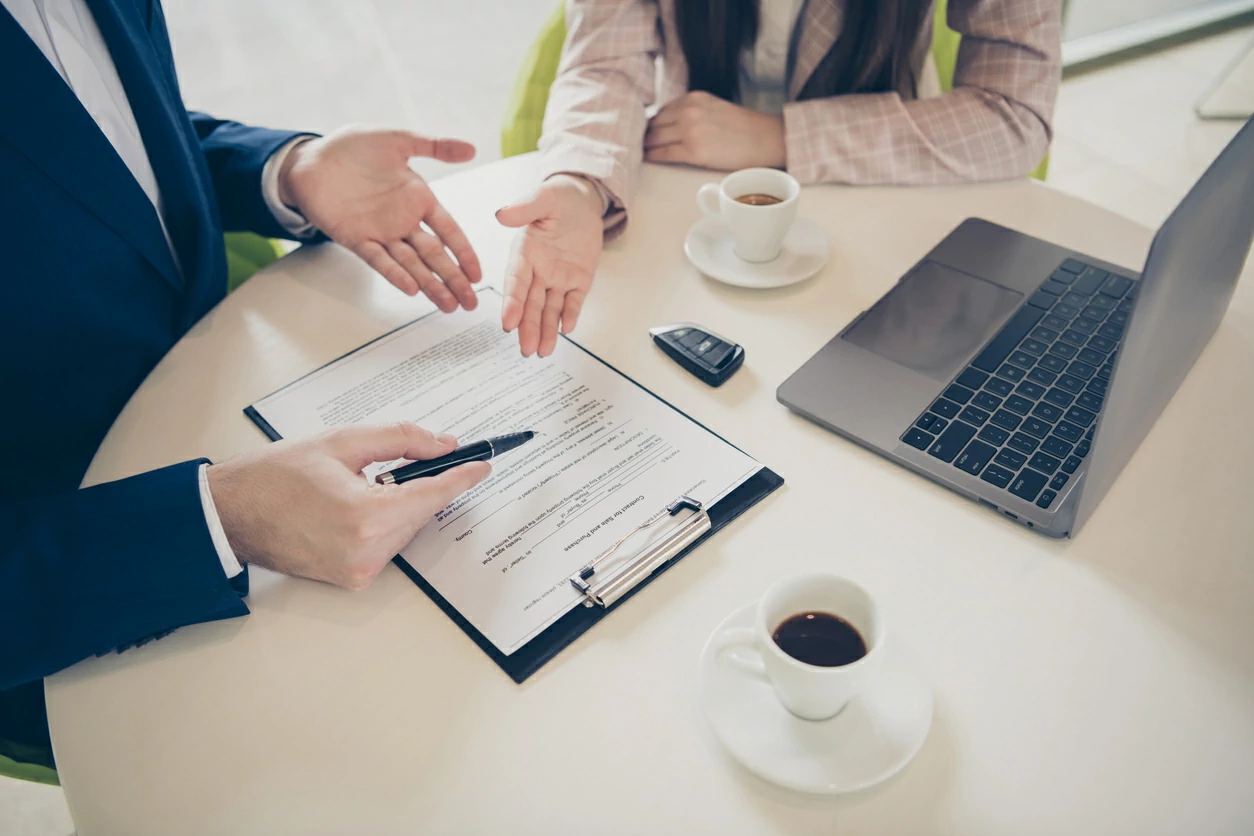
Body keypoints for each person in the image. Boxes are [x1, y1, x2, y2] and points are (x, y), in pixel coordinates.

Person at [0, 0, 493, 764]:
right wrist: (218, 520)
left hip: (233, 422)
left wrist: (285, 170)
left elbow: (92, 147)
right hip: (94, 600)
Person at [494, 0, 1062, 358]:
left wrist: (782, 136)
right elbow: (604, 65)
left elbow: (1015, 114)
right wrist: (579, 181)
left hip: (879, 185)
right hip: (688, 188)